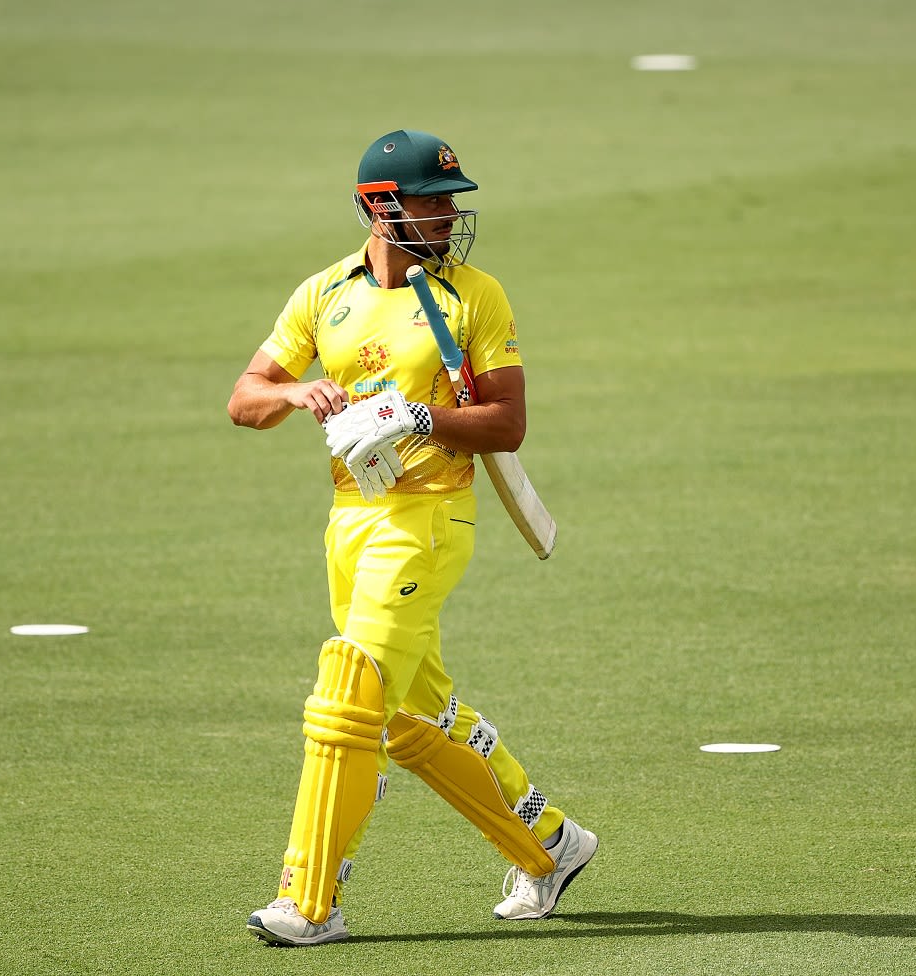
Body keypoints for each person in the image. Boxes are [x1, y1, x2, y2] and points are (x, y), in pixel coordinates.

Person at [227, 129, 597, 947]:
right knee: (405, 720)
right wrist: (297, 395)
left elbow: (508, 422)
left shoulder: (473, 297)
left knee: (349, 695)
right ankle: (549, 845)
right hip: (351, 521)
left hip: (429, 520)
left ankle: (308, 900)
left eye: (450, 200)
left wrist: (421, 414)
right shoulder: (324, 294)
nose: (446, 214)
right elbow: (244, 397)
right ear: (377, 206)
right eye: (431, 201)